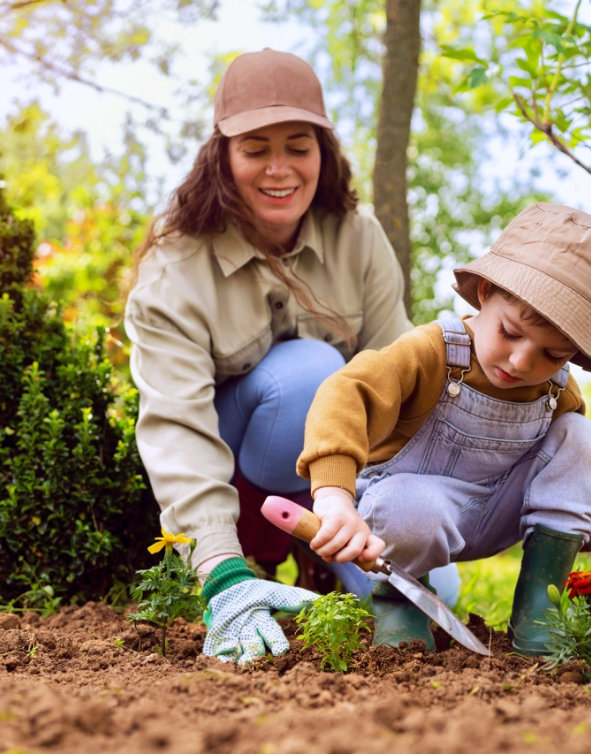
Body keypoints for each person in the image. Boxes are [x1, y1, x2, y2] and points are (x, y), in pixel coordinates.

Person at [125, 49, 450, 666]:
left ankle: (320, 559)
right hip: (238, 495)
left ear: (323, 151)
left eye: (297, 146)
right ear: (222, 156)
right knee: (309, 376)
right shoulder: (175, 271)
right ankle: (251, 565)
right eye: (255, 149)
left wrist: (400, 517)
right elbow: (177, 431)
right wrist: (220, 570)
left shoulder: (358, 237)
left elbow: (399, 387)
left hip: (336, 491)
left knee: (427, 596)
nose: (279, 169)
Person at [296, 203, 591, 654]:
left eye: (553, 355)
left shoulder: (557, 389)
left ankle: (539, 609)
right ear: (485, 291)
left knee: (584, 435)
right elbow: (345, 394)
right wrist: (334, 495)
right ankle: (400, 600)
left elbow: (571, 463)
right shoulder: (431, 352)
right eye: (511, 333)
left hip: (501, 512)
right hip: (412, 516)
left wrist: (568, 525)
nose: (522, 362)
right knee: (410, 506)